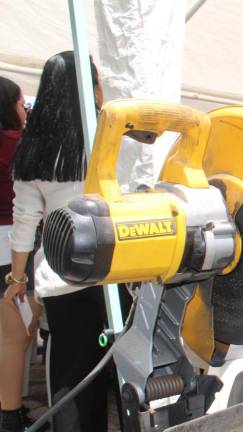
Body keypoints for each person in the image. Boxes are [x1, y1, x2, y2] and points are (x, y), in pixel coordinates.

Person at [3, 51, 108, 432]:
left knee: (70, 372)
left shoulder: (34, 148)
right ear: (89, 89)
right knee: (124, 366)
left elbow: (25, 220)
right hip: (119, 266)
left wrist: (17, 279)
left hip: (62, 270)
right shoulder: (108, 135)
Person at [0, 76, 40, 432]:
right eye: (19, 102)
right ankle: (10, 415)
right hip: (12, 249)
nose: (23, 108)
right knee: (15, 336)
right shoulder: (19, 145)